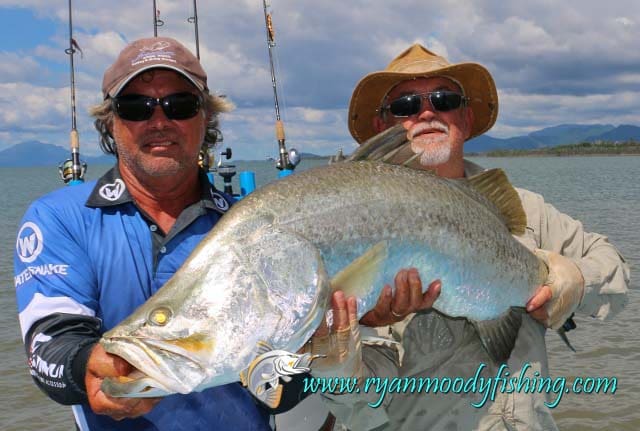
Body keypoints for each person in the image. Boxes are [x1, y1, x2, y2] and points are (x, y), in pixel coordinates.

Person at [310, 44, 630, 430]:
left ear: (466, 115)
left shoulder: (528, 212)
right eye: (406, 105)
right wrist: (335, 350)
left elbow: (613, 268)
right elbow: (362, 409)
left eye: (444, 99)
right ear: (383, 127)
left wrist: (573, 282)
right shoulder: (356, 232)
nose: (427, 112)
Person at [14, 36, 290, 431]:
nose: (159, 121)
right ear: (110, 121)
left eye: (180, 105)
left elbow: (283, 388)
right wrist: (88, 367)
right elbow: (51, 342)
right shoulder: (60, 218)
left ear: (206, 118)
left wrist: (330, 343)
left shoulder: (254, 225)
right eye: (135, 107)